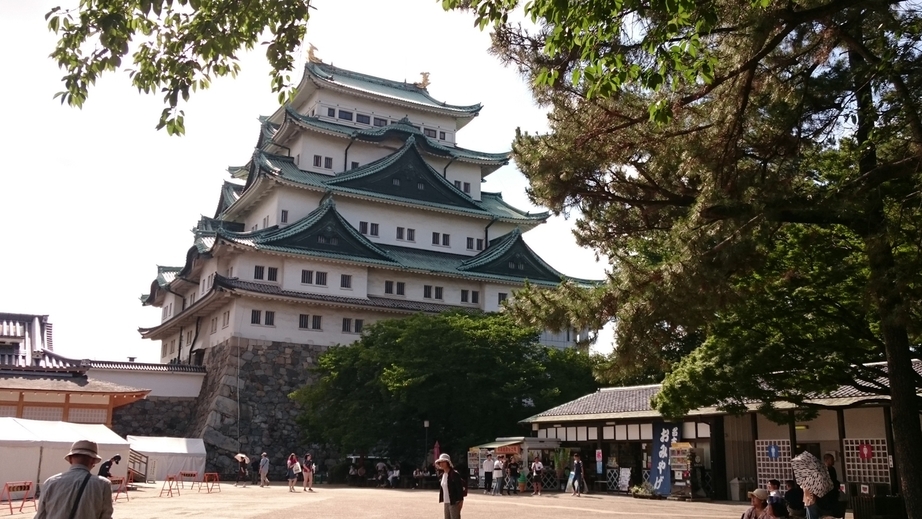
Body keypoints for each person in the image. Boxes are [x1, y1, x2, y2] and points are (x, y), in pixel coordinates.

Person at [35, 440, 114, 519]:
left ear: (70, 459)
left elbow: (40, 516)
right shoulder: (103, 484)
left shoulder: (51, 482)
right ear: (93, 461)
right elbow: (106, 516)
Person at [435, 454, 464, 519]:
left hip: (454, 501)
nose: (441, 464)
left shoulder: (454, 474)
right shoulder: (443, 475)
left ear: (448, 462)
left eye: (443, 462)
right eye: (440, 462)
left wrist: (460, 501)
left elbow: (459, 489)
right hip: (446, 502)